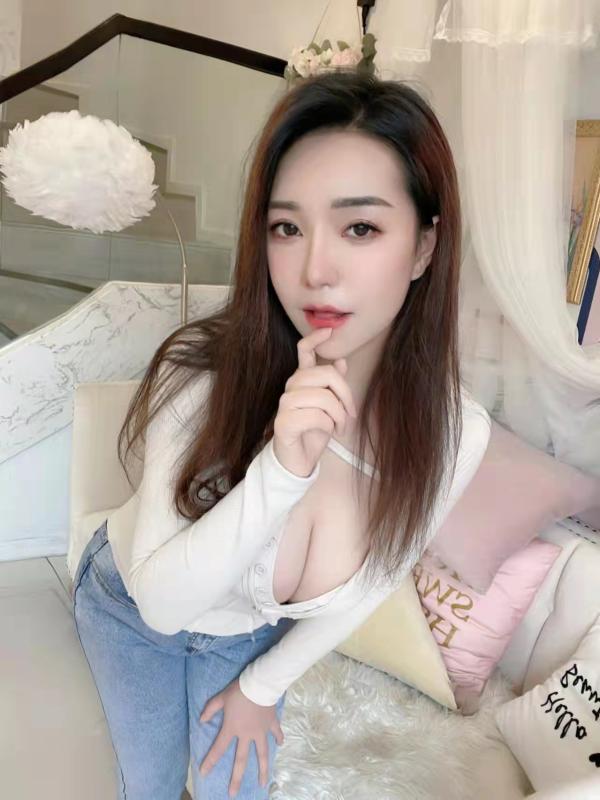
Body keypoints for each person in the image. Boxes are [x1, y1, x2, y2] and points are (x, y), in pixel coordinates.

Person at [70, 70, 492, 800]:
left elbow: (375, 582)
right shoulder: (202, 377)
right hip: (130, 606)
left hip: (245, 635)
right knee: (151, 786)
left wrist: (260, 688)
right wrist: (282, 469)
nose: (314, 271)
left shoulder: (454, 433)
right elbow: (163, 606)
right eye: (286, 228)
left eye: (360, 228)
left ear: (425, 247)